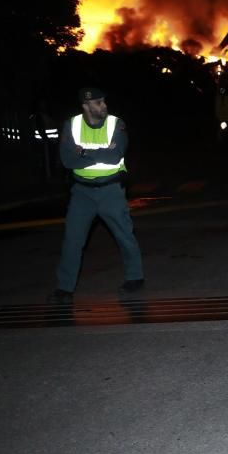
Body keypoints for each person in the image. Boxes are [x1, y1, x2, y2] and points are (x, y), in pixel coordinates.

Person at [48, 88, 144, 304]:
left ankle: (135, 277)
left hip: (111, 190)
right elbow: (67, 160)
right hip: (81, 193)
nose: (104, 106)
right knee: (72, 240)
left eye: (104, 101)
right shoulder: (71, 125)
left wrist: (82, 151)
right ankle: (64, 288)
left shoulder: (116, 124)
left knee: (124, 235)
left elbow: (114, 156)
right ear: (86, 105)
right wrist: (97, 153)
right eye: (98, 103)